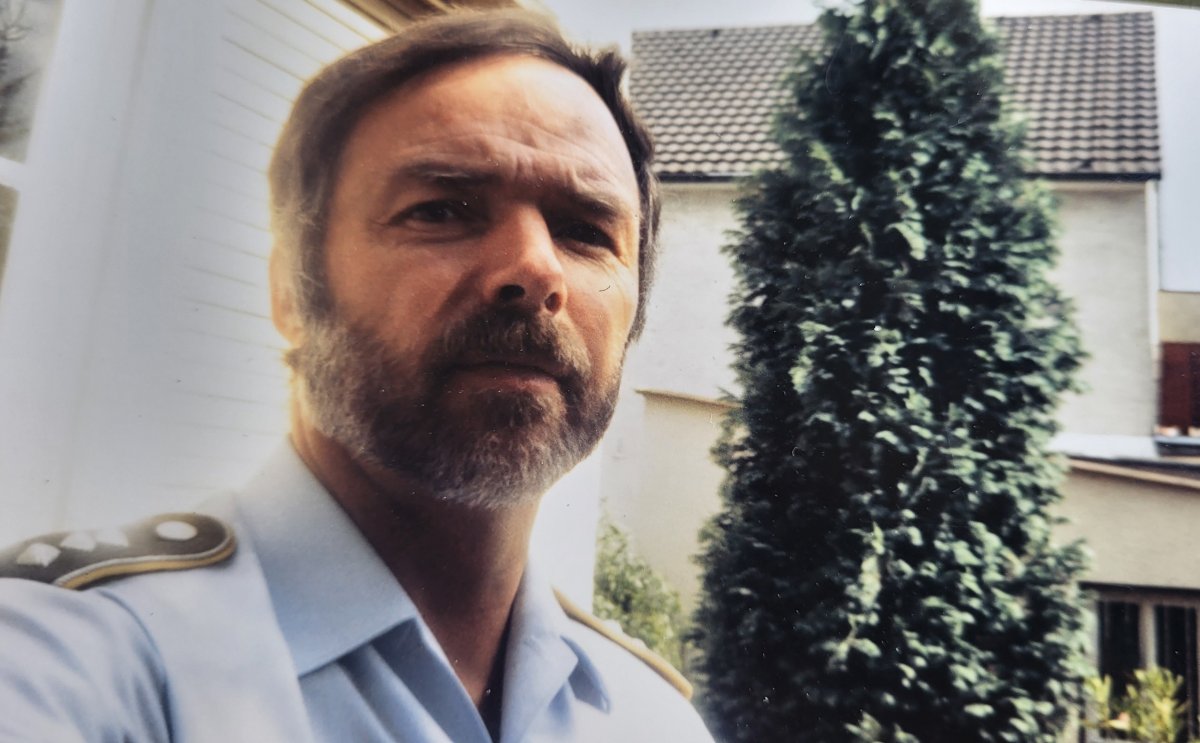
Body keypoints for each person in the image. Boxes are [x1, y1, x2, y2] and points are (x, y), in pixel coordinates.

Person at [0, 9, 714, 742]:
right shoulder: (72, 658)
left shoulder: (655, 723)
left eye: (586, 231)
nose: (535, 269)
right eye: (441, 210)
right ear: (291, 290)